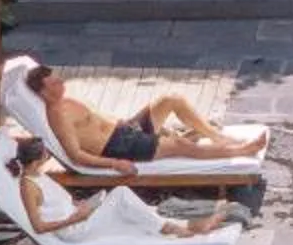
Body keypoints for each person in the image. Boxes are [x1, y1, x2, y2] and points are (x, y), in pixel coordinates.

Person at [0, 134, 240, 245]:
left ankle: (184, 226)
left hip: (79, 215)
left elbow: (55, 204)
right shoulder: (28, 187)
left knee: (125, 208)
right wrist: (75, 217)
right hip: (73, 230)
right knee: (122, 195)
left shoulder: (37, 175)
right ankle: (176, 229)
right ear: (36, 160)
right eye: (46, 155)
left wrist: (80, 204)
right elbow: (38, 227)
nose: (49, 157)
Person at [25, 60, 268, 169]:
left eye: (58, 79)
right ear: (43, 92)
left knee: (172, 99)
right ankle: (242, 151)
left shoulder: (66, 100)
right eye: (54, 83)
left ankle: (217, 138)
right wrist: (116, 163)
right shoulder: (56, 115)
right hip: (119, 148)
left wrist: (127, 122)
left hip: (124, 131)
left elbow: (99, 119)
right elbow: (76, 155)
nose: (60, 83)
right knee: (180, 144)